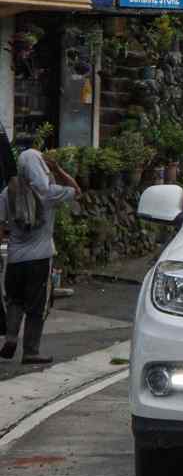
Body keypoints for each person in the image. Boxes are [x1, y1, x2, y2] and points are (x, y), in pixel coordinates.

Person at [0, 148, 81, 364]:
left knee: (15, 301)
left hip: (15, 258)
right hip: (40, 259)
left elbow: (0, 224)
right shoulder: (49, 193)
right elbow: (77, 190)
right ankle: (31, 351)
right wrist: (58, 168)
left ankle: (10, 338)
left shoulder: (8, 192)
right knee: (37, 306)